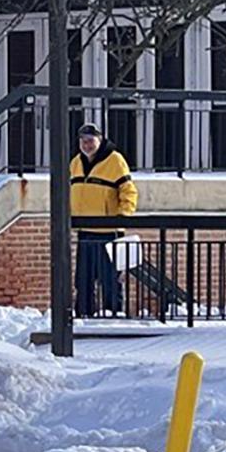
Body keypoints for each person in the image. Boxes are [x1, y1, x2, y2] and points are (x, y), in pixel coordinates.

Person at [69, 123, 139, 318]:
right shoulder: (75, 163)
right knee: (83, 280)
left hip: (109, 231)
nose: (87, 145)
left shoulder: (115, 160)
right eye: (83, 141)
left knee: (110, 280)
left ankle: (114, 315)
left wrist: (123, 217)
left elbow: (129, 191)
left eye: (90, 141)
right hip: (85, 230)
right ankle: (83, 315)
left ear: (100, 140)